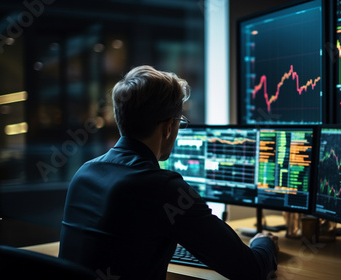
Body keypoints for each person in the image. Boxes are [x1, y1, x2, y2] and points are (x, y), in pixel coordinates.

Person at [58, 65, 278, 279]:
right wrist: (264, 241)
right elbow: (252, 270)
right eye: (179, 123)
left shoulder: (84, 173)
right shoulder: (162, 188)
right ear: (168, 128)